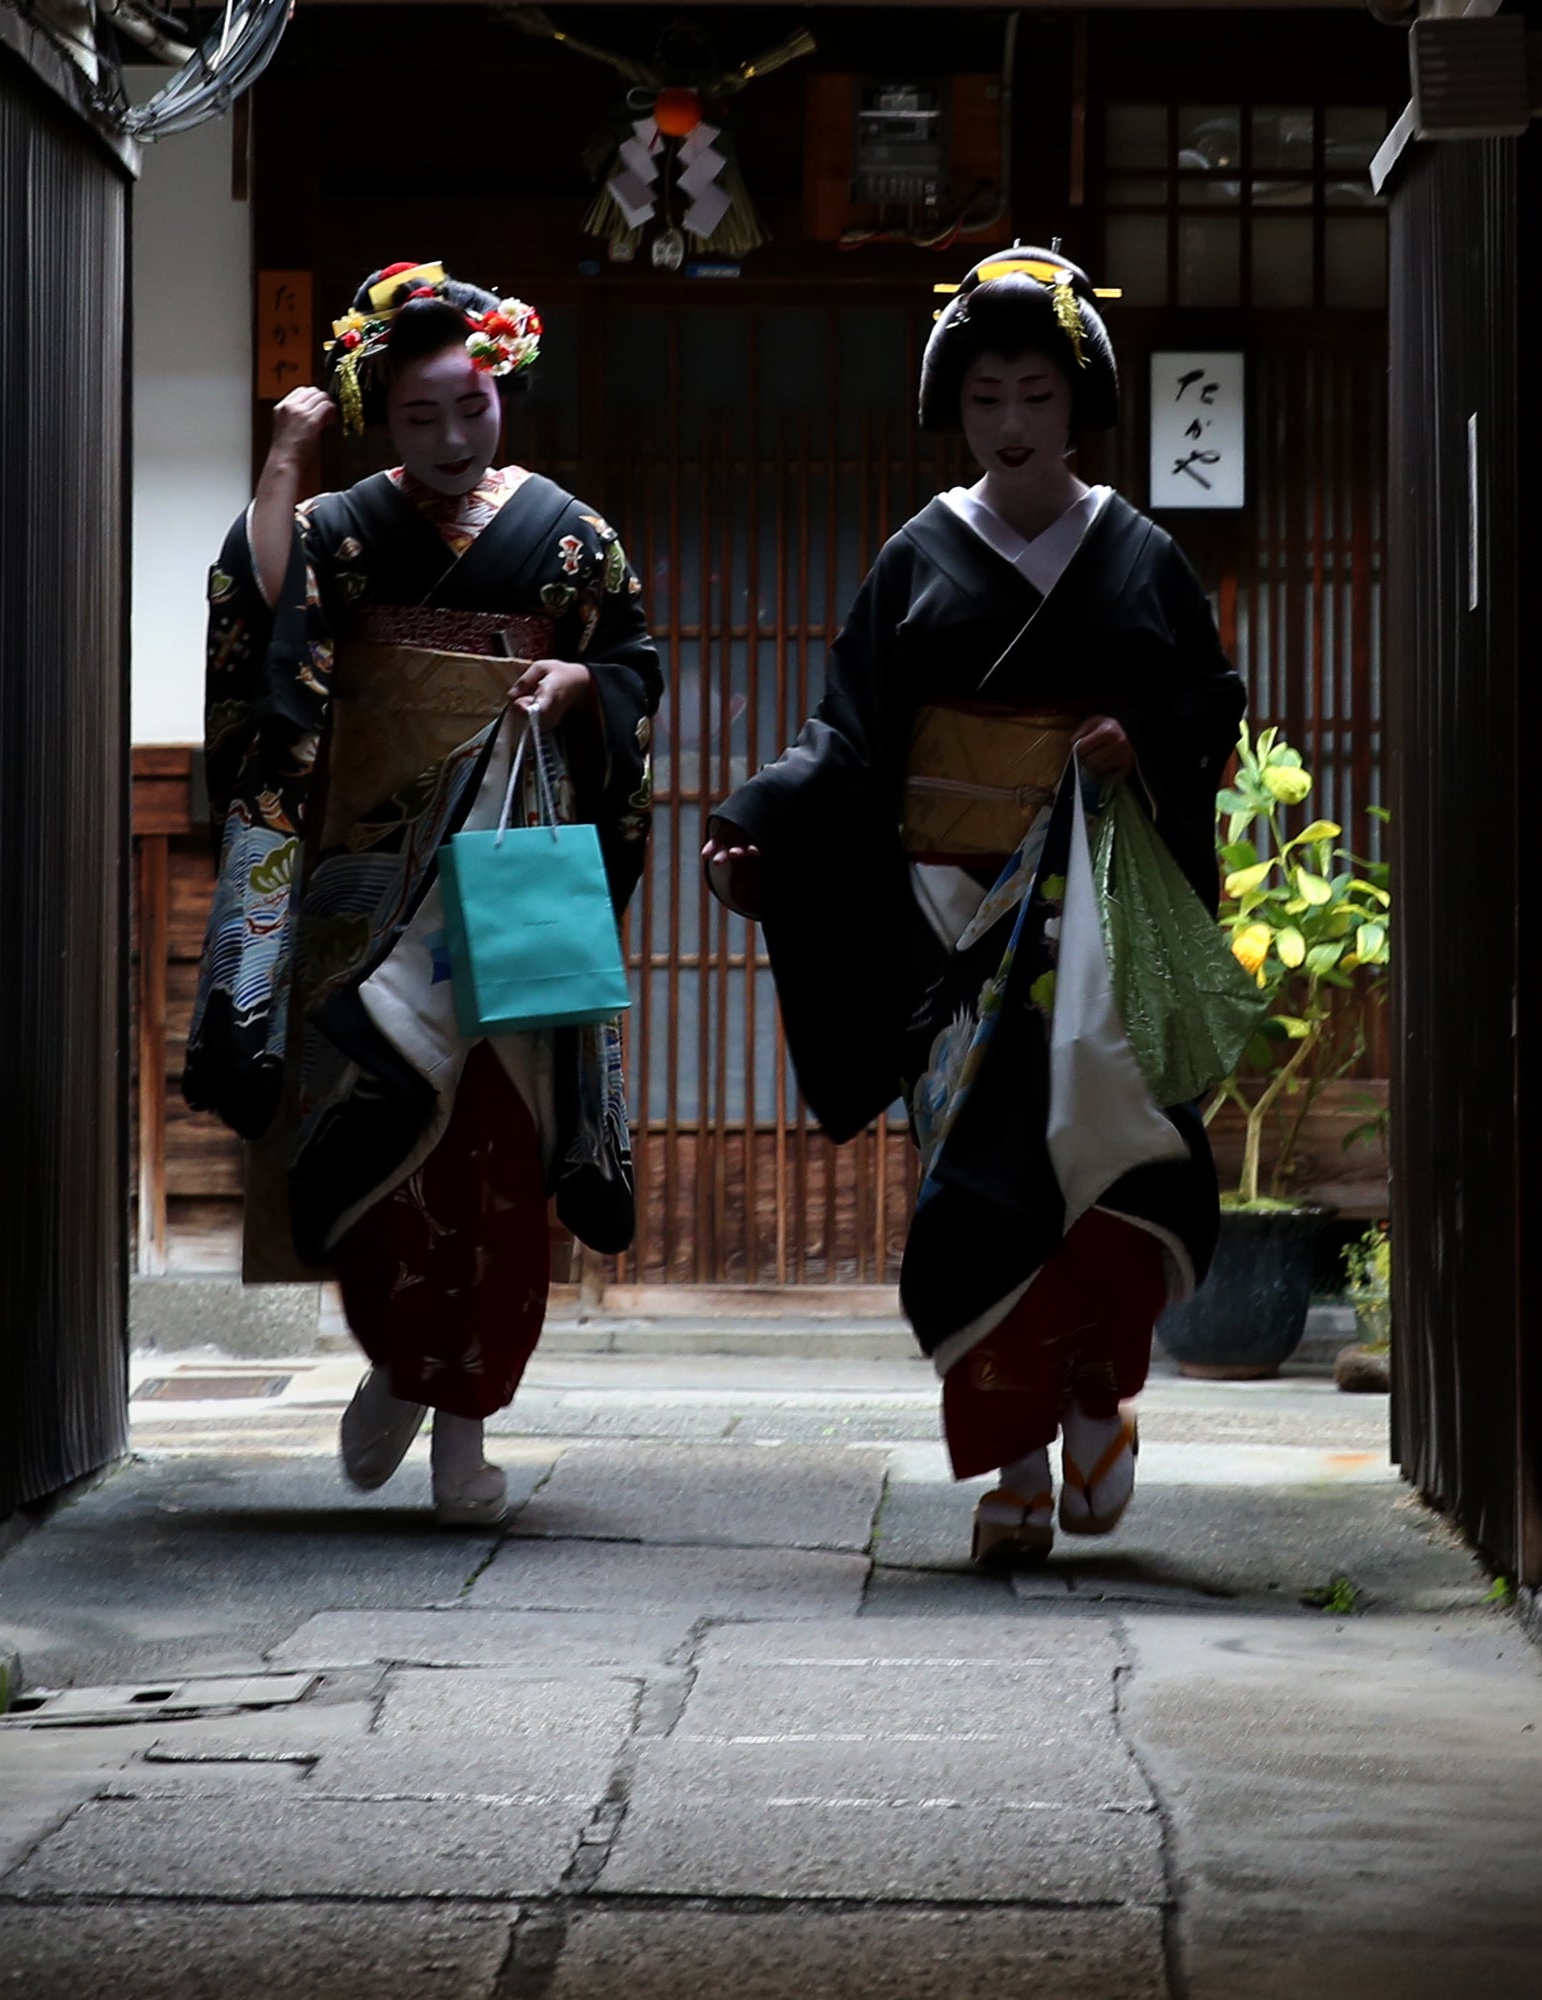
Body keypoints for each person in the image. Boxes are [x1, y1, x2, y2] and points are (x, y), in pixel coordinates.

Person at [702, 249, 1245, 1565]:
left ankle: (1099, 1405)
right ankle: (1012, 1463)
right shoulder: (917, 557)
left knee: (1101, 1170)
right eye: (989, 397)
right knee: (978, 1192)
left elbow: (1208, 713)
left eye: (1039, 398)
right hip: (953, 924)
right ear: (958, 406)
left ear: (1078, 407)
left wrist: (1138, 740)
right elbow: (849, 739)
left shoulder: (1140, 554)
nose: (1012, 425)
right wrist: (756, 824)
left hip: (1095, 918)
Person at [185, 261, 659, 1524]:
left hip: (516, 858)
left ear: (503, 385)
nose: (452, 440)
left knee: (498, 1147)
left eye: (473, 408)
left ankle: (466, 1431)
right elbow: (267, 625)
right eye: (418, 418)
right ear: (378, 415)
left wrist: (583, 690)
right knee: (380, 1137)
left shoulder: (570, 534)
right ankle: (402, 1361)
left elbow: (635, 661)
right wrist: (288, 459)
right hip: (371, 876)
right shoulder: (342, 528)